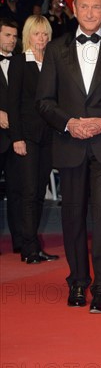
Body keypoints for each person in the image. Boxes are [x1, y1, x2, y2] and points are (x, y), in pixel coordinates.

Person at [36, 0, 101, 313]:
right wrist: (70, 123)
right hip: (69, 144)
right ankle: (78, 282)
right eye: (85, 7)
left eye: (98, 7)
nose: (91, 13)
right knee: (73, 217)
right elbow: (45, 102)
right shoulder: (55, 50)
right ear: (74, 9)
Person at [8, 15, 59, 264]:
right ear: (28, 36)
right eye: (37, 34)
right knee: (29, 192)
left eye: (45, 33)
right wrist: (16, 137)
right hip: (26, 137)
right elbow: (13, 103)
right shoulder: (19, 63)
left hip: (49, 137)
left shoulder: (53, 62)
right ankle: (28, 249)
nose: (42, 38)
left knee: (40, 192)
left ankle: (34, 246)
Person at [0, 18, 22, 254]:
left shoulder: (20, 62)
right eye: (7, 35)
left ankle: (21, 242)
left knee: (18, 191)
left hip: (15, 135)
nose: (12, 40)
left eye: (14, 36)